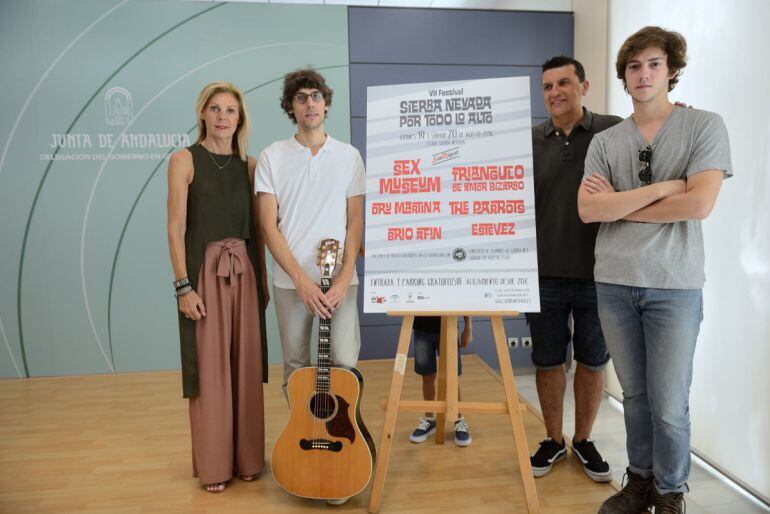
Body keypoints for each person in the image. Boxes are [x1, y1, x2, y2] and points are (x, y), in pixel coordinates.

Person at [578, 27, 731, 513]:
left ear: (672, 71)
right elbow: (587, 210)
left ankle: (670, 492)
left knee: (668, 403)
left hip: (673, 284)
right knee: (635, 398)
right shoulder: (606, 141)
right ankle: (639, 482)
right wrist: (665, 189)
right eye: (634, 66)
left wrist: (618, 205)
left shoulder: (703, 126)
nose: (643, 74)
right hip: (615, 282)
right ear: (624, 76)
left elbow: (701, 203)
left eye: (654, 64)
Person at [167, 82, 269, 493]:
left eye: (231, 109)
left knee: (245, 366)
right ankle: (213, 465)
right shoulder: (183, 160)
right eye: (215, 108)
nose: (223, 116)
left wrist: (263, 282)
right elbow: (175, 228)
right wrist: (183, 287)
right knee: (211, 372)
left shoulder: (250, 166)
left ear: (239, 118)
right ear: (203, 114)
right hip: (205, 273)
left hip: (244, 271)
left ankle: (248, 458)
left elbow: (262, 229)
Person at [527, 56, 620, 482]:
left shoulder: (613, 130)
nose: (555, 92)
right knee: (547, 361)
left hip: (599, 273)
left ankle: (582, 439)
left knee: (592, 360)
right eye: (547, 86)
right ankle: (552, 439)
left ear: (584, 85)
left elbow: (653, 145)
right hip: (541, 275)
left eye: (564, 83)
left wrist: (682, 115)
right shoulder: (528, 141)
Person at [257, 67, 365, 399]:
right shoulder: (271, 156)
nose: (310, 104)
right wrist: (302, 280)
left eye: (316, 96)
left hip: (340, 283)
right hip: (291, 283)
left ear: (326, 104)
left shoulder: (349, 156)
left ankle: (341, 446)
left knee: (344, 364)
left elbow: (355, 221)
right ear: (291, 107)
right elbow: (267, 226)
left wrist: (345, 277)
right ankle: (303, 444)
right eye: (301, 98)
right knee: (296, 367)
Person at [408, 316, 473, 447]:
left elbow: (464, 297)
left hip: (449, 327)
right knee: (426, 376)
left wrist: (468, 327)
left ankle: (459, 420)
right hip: (422, 329)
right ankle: (429, 419)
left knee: (452, 377)